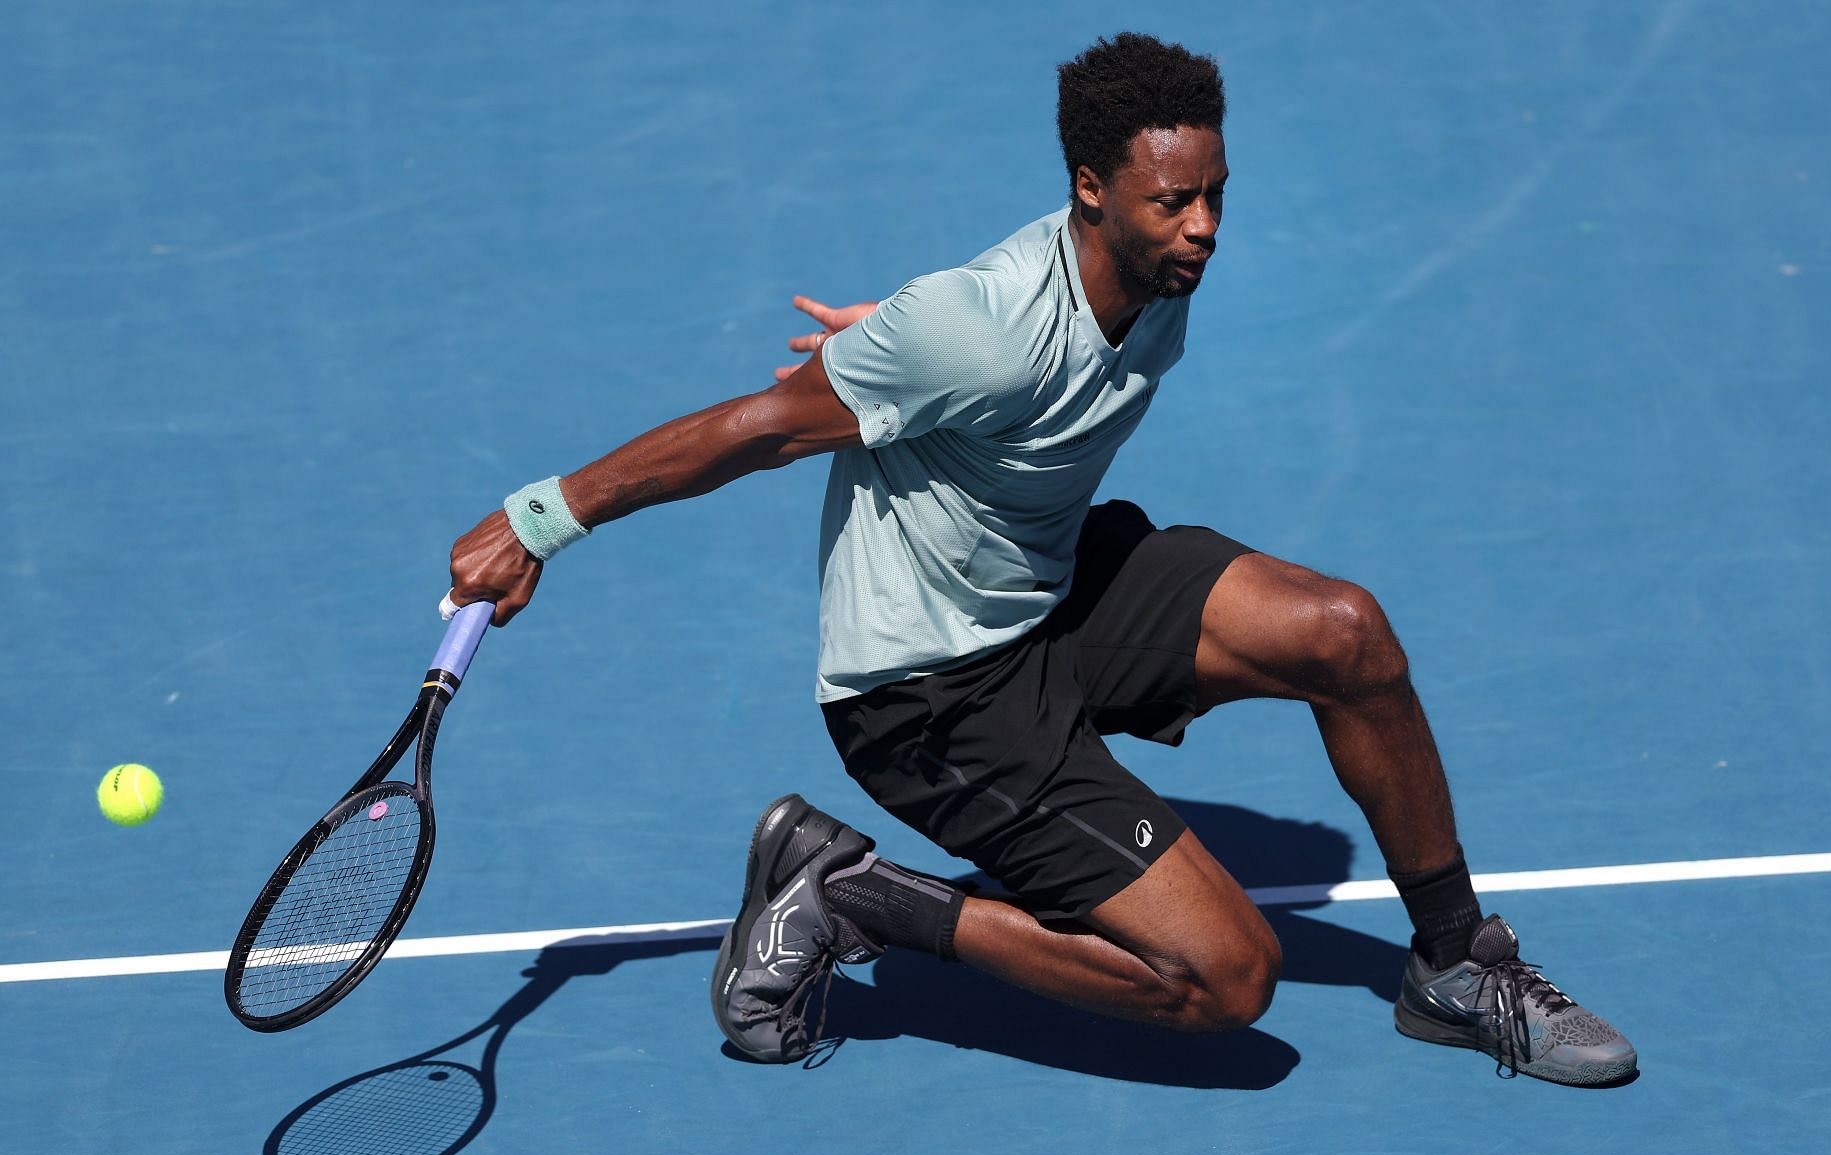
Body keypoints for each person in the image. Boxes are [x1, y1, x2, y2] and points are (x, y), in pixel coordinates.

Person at [447, 32, 1636, 1086]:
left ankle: (1456, 965)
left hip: (1051, 586)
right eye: (1174, 202)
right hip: (931, 693)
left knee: (1345, 633)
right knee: (1225, 983)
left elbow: (990, 338)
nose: (1205, 227)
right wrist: (539, 519)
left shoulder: (1151, 274)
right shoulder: (977, 329)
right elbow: (754, 431)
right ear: (1090, 190)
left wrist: (902, 344)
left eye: (1217, 194)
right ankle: (851, 893)